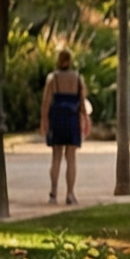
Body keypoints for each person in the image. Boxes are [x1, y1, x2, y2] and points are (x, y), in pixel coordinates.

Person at [40, 49, 88, 204]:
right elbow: (82, 103)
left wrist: (44, 121)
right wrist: (85, 120)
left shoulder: (52, 79)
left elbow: (46, 103)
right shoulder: (78, 79)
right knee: (71, 158)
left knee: (56, 157)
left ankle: (53, 193)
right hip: (72, 118)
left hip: (57, 118)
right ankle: (70, 193)